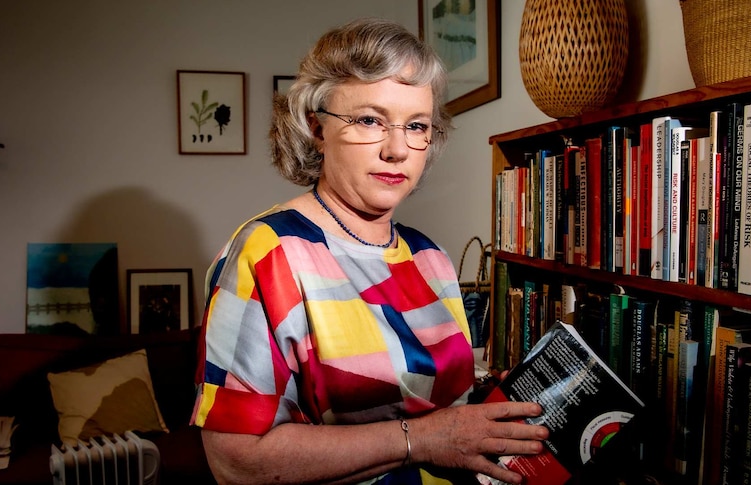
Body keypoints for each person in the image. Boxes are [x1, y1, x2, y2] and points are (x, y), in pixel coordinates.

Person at [190, 17, 548, 485]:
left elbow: (443, 410)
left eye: (416, 125)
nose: (397, 149)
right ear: (316, 127)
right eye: (369, 120)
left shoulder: (430, 257)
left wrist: (488, 410)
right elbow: (237, 461)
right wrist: (425, 438)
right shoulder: (267, 253)